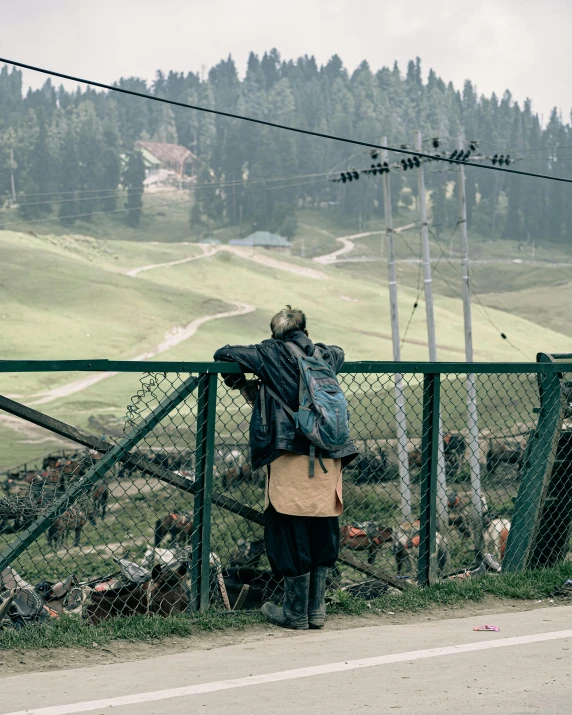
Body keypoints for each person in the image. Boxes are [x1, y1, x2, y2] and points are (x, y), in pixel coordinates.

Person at [214, 306, 357, 630]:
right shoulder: (324, 355)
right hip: (327, 454)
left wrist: (238, 380)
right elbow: (340, 351)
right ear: (305, 331)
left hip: (289, 453)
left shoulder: (270, 353)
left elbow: (223, 352)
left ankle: (295, 612)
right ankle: (316, 611)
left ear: (274, 333)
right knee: (322, 527)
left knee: (289, 528)